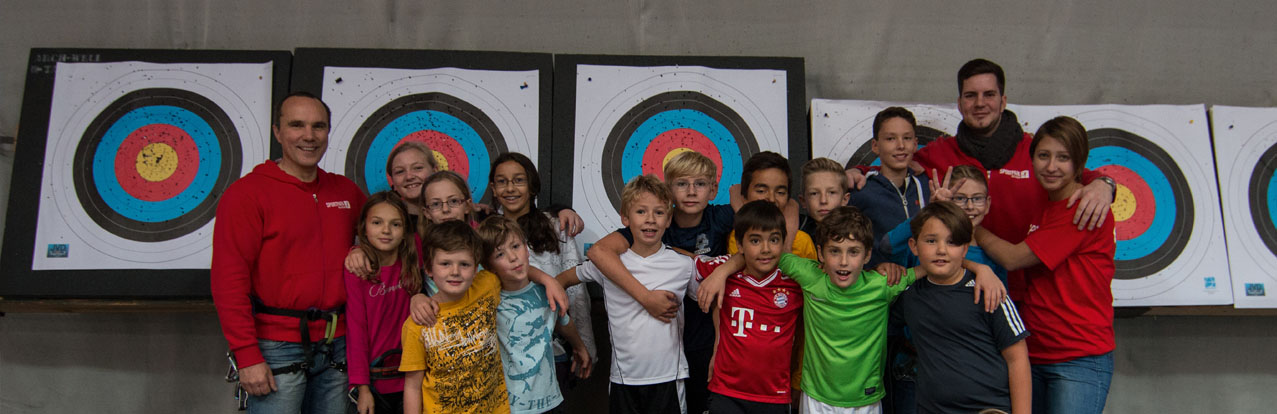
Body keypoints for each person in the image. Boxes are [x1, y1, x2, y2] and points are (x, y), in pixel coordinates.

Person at [844, 59, 1115, 301]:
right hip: (962, 288)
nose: (980, 103)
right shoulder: (938, 154)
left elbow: (1073, 172)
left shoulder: (1034, 152)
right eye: (971, 95)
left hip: (1029, 293)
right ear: (960, 103)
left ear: (1003, 101)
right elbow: (894, 164)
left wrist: (1104, 184)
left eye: (989, 94)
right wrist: (856, 172)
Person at [212, 91, 367, 413]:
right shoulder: (246, 195)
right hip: (276, 349)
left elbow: (387, 238)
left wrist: (360, 248)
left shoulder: (346, 191)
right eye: (297, 125)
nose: (309, 136)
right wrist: (247, 355)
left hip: (339, 347)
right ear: (277, 132)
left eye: (318, 126)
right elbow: (229, 281)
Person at [973, 116, 1116, 414]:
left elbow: (1014, 259)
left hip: (1078, 356)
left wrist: (971, 228)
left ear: (1079, 162)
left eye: (1063, 158)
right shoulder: (1047, 202)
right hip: (1035, 350)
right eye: (1043, 155)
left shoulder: (1082, 208)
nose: (1051, 166)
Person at [585, 151, 735, 413]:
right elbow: (598, 252)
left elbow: (763, 220)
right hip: (664, 341)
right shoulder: (653, 222)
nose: (691, 191)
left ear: (713, 190)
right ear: (669, 190)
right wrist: (646, 298)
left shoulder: (720, 217)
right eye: (682, 184)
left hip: (705, 336)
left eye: (700, 184)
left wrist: (721, 272)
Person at [557, 175, 696, 414]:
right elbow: (561, 281)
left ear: (668, 219)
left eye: (659, 212)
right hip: (623, 380)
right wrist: (563, 321)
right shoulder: (607, 265)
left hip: (668, 378)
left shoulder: (684, 265)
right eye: (641, 211)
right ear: (625, 218)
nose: (650, 219)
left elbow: (711, 299)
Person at [893, 201, 1030, 413]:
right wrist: (884, 268)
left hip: (988, 409)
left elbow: (1018, 358)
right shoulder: (908, 294)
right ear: (914, 246)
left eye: (952, 242)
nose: (941, 250)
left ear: (965, 248)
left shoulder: (989, 290)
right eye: (931, 241)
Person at [487, 153, 597, 389]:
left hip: (553, 350)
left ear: (532, 186)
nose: (510, 188)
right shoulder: (486, 232)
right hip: (503, 352)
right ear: (493, 189)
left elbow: (576, 294)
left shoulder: (556, 226)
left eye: (519, 180)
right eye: (502, 181)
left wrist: (582, 345)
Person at [477, 216, 592, 414]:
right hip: (509, 406)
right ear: (488, 266)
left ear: (526, 247)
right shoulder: (488, 298)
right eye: (500, 254)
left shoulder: (546, 292)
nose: (513, 257)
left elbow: (563, 321)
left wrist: (579, 347)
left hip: (550, 401)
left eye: (515, 246)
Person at [698, 200, 804, 413]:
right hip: (726, 392)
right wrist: (721, 272)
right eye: (755, 240)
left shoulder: (795, 282)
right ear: (739, 244)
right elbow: (684, 261)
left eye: (774, 240)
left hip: (774, 396)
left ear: (783, 242)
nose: (766, 249)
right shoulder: (723, 271)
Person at [400, 220, 510, 414]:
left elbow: (516, 270)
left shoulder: (488, 284)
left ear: (476, 270)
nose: (455, 272)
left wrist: (547, 281)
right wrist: (417, 297)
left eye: (464, 264)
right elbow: (412, 387)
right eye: (445, 263)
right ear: (429, 269)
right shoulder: (417, 324)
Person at [345, 191, 422, 414]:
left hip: (412, 378)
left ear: (405, 231)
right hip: (374, 381)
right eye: (377, 223)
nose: (386, 230)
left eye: (395, 224)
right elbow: (356, 330)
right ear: (363, 228)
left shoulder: (413, 255)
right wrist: (362, 387)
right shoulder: (358, 270)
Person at [880, 164, 1008, 284]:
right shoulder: (925, 244)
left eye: (977, 198)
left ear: (987, 204)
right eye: (960, 198)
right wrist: (932, 209)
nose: (970, 206)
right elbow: (888, 245)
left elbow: (1000, 295)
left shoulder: (994, 256)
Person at [845, 107, 930, 271]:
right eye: (891, 138)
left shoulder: (928, 186)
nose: (901, 145)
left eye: (907, 138)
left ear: (915, 144)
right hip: (882, 282)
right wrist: (874, 267)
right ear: (875, 146)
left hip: (924, 280)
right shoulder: (861, 191)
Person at [728, 151, 818, 260]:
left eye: (780, 192)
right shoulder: (736, 238)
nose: (771, 199)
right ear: (744, 198)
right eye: (761, 191)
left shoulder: (802, 241)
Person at [797, 157, 852, 237]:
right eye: (814, 193)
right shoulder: (795, 231)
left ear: (845, 199)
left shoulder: (857, 234)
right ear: (803, 201)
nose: (823, 200)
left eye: (832, 192)